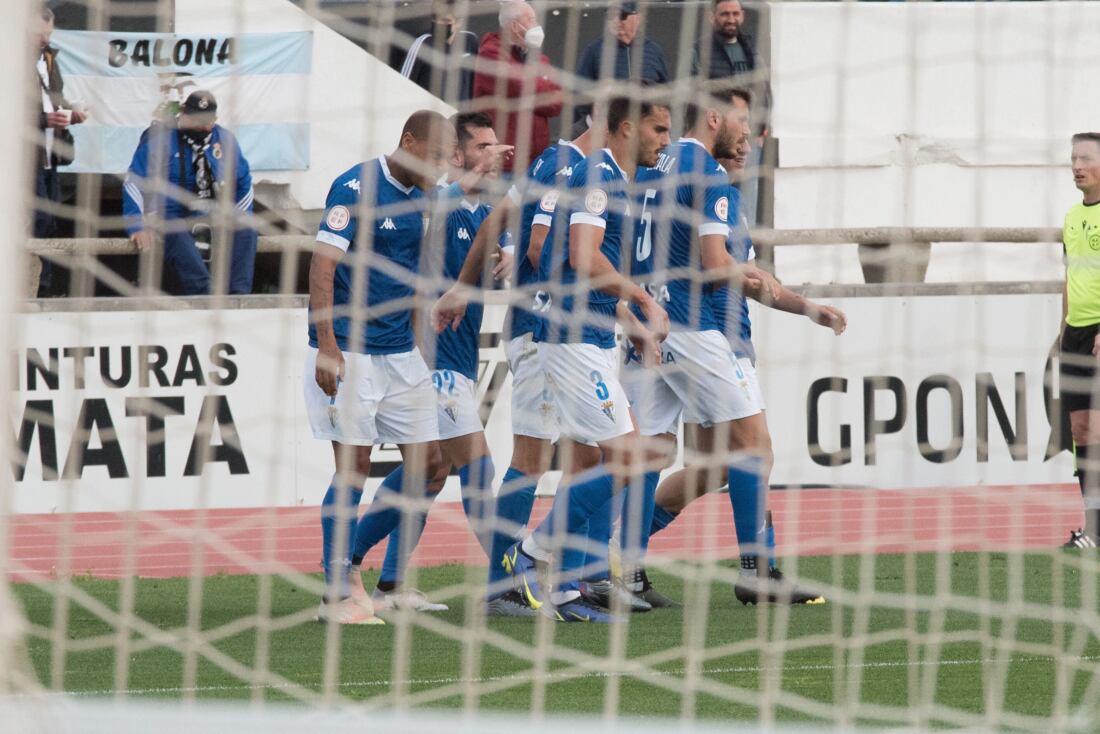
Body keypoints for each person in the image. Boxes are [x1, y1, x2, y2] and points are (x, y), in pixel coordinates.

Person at [638, 89, 845, 605]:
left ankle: (616, 565)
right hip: (700, 328)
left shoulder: (649, 171)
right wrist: (758, 278)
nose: (749, 135)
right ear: (713, 118)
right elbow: (720, 267)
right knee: (756, 449)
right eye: (742, 123)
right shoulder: (706, 175)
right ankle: (758, 571)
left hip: (654, 327)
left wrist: (799, 305)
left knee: (680, 460)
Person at [502, 97, 673, 623]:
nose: (665, 141)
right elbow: (581, 255)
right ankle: (531, 552)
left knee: (603, 458)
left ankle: (563, 587)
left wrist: (627, 318)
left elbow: (563, 261)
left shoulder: (605, 176)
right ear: (627, 128)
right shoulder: (598, 175)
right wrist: (642, 299)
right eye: (659, 129)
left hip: (589, 334)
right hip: (572, 338)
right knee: (633, 456)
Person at [431, 126, 601, 617]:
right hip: (454, 349)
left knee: (437, 470)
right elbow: (537, 249)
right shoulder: (566, 169)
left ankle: (538, 580)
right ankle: (532, 570)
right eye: (481, 148)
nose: (494, 154)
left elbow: (512, 242)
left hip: (494, 343)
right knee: (609, 455)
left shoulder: (511, 195)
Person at [305, 110, 455, 625]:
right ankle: (337, 587)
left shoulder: (425, 196)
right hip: (350, 350)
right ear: (407, 141)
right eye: (434, 157)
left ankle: (348, 557)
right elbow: (322, 267)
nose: (439, 169)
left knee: (432, 464)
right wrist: (327, 345)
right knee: (354, 469)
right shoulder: (354, 187)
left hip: (400, 353)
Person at [366, 112, 518, 613]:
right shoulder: (439, 201)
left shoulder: (477, 212)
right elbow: (450, 196)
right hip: (430, 362)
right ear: (457, 157)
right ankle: (505, 580)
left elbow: (503, 227)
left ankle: (385, 583)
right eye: (483, 146)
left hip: (458, 361)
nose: (495, 153)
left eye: (498, 144)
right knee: (478, 468)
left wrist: (510, 253)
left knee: (427, 473)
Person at [122, 90, 257, 295]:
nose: (203, 127)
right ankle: (205, 295)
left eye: (208, 121)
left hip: (214, 211)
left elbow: (244, 181)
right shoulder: (161, 139)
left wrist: (239, 215)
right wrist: (137, 225)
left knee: (247, 229)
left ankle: (238, 296)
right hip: (170, 215)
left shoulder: (224, 140)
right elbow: (133, 182)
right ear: (183, 114)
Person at [691, 0, 771, 227]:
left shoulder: (752, 52)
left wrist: (762, 128)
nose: (731, 19)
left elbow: (765, 92)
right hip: (719, 141)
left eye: (735, 13)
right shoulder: (699, 52)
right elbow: (691, 96)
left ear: (743, 16)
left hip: (750, 141)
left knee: (748, 202)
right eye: (725, 14)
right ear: (712, 16)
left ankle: (746, 249)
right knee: (717, 195)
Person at [1059, 132, 1100, 549]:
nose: (1076, 166)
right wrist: (1062, 330)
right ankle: (1093, 528)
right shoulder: (1072, 217)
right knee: (1082, 432)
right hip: (1076, 335)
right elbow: (1070, 277)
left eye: (1085, 158)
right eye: (1073, 158)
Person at [472, 1, 562, 175]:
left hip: (535, 165)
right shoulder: (490, 54)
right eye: (531, 20)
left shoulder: (538, 58)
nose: (537, 26)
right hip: (504, 166)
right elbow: (521, 86)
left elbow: (557, 101)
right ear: (514, 25)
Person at [34, 4, 86, 297]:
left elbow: (56, 100)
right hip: (22, 159)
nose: (45, 39)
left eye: (49, 34)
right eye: (41, 34)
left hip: (50, 155)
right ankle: (27, 287)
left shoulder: (49, 59)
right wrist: (43, 119)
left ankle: (44, 288)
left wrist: (72, 112)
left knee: (50, 220)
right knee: (36, 218)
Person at [573, 2, 669, 125]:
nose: (616, 21)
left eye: (622, 15)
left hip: (645, 129)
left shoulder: (654, 51)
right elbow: (579, 96)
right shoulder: (594, 51)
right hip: (609, 131)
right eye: (611, 16)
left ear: (638, 17)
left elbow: (666, 95)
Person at [399, 0, 480, 104]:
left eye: (445, 21)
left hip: (460, 114)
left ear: (459, 23)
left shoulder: (470, 41)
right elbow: (402, 84)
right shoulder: (423, 44)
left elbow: (475, 82)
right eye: (435, 19)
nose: (439, 24)